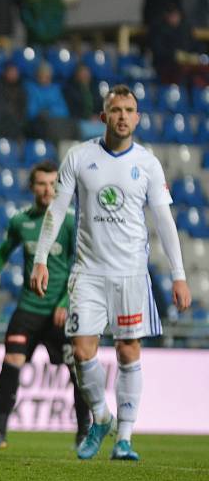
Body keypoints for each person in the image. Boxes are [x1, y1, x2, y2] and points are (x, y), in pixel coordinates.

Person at [30, 84, 192, 461]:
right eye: (115, 109)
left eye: (129, 110)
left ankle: (125, 438)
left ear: (137, 117)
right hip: (88, 273)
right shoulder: (79, 157)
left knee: (127, 350)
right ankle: (102, 418)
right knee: (81, 350)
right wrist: (41, 258)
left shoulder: (148, 163)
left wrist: (179, 274)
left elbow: (164, 221)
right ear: (103, 116)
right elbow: (56, 211)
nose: (122, 116)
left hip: (131, 275)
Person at [0, 161, 90, 449]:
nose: (47, 190)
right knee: (11, 362)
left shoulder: (71, 221)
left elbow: (81, 265)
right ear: (32, 187)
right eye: (41, 184)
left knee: (78, 370)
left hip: (61, 311)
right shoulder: (21, 221)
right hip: (28, 309)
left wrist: (66, 301)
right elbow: (2, 255)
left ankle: (84, 433)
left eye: (52, 184)